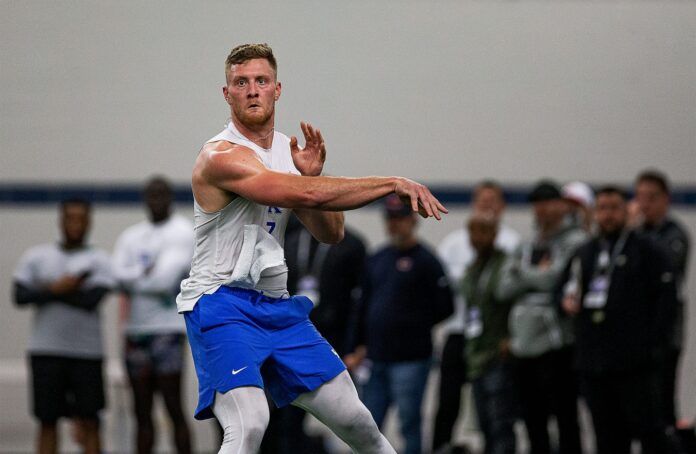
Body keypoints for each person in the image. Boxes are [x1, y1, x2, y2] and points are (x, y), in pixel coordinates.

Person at [176, 43, 447, 454]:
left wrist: (310, 177)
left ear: (277, 89)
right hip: (219, 304)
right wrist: (391, 183)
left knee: (357, 420)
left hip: (276, 308)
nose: (252, 90)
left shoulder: (288, 152)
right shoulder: (220, 156)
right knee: (250, 423)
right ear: (226, 93)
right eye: (241, 83)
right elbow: (308, 195)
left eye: (261, 81)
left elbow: (331, 233)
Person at [558, 186, 678, 454]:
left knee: (650, 432)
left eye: (614, 208)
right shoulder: (585, 252)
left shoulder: (647, 250)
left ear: (627, 211)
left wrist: (653, 346)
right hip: (594, 363)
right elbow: (563, 290)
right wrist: (565, 302)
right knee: (607, 435)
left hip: (634, 363)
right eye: (602, 209)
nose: (608, 215)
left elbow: (666, 302)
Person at [346, 195, 453, 454]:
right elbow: (362, 307)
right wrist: (355, 346)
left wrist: (412, 325)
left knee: (409, 422)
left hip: (411, 358)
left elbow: (446, 307)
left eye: (400, 219)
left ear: (412, 220)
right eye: (390, 219)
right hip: (376, 357)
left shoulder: (426, 261)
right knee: (367, 424)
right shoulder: (377, 259)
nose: (394, 225)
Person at [13, 199, 114, 454]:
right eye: (71, 218)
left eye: (81, 219)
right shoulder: (36, 257)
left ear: (89, 222)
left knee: (91, 420)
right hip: (46, 351)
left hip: (87, 353)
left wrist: (48, 290)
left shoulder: (99, 260)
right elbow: (20, 296)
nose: (76, 224)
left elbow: (91, 300)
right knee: (47, 420)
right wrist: (61, 288)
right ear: (61, 221)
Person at [260, 219, 367, 454]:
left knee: (351, 416)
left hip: (334, 341)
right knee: (288, 419)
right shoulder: (291, 240)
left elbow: (360, 303)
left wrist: (355, 347)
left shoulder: (352, 245)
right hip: (294, 342)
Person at [499, 180, 587, 454]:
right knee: (532, 418)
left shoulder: (576, 241)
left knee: (564, 417)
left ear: (562, 205)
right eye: (537, 205)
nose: (542, 211)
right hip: (523, 344)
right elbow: (503, 288)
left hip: (556, 343)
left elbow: (557, 281)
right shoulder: (526, 245)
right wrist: (539, 275)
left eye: (548, 203)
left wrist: (523, 275)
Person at [432, 180, 520, 453]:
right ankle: (440, 446)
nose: (486, 206)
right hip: (460, 331)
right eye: (482, 200)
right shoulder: (454, 243)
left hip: (493, 337)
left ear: (502, 206)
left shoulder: (511, 243)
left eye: (492, 201)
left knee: (494, 406)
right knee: (448, 399)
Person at [112, 177, 194, 454]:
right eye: (151, 195)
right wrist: (145, 274)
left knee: (173, 407)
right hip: (136, 332)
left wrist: (135, 277)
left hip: (168, 331)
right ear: (144, 198)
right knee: (141, 411)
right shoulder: (131, 236)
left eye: (161, 194)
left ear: (170, 197)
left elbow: (163, 279)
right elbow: (115, 277)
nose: (156, 200)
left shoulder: (183, 231)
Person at [634, 169, 691, 431]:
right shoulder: (633, 235)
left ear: (665, 200)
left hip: (665, 336)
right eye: (640, 197)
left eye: (651, 198)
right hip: (636, 335)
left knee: (662, 404)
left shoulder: (674, 234)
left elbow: (661, 268)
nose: (644, 205)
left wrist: (633, 233)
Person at [462, 212, 516, 454]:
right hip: (477, 354)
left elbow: (512, 300)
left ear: (494, 234)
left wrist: (511, 337)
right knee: (483, 422)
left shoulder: (505, 264)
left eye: (483, 231)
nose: (477, 238)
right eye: (472, 232)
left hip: (498, 353)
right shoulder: (473, 268)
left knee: (500, 422)